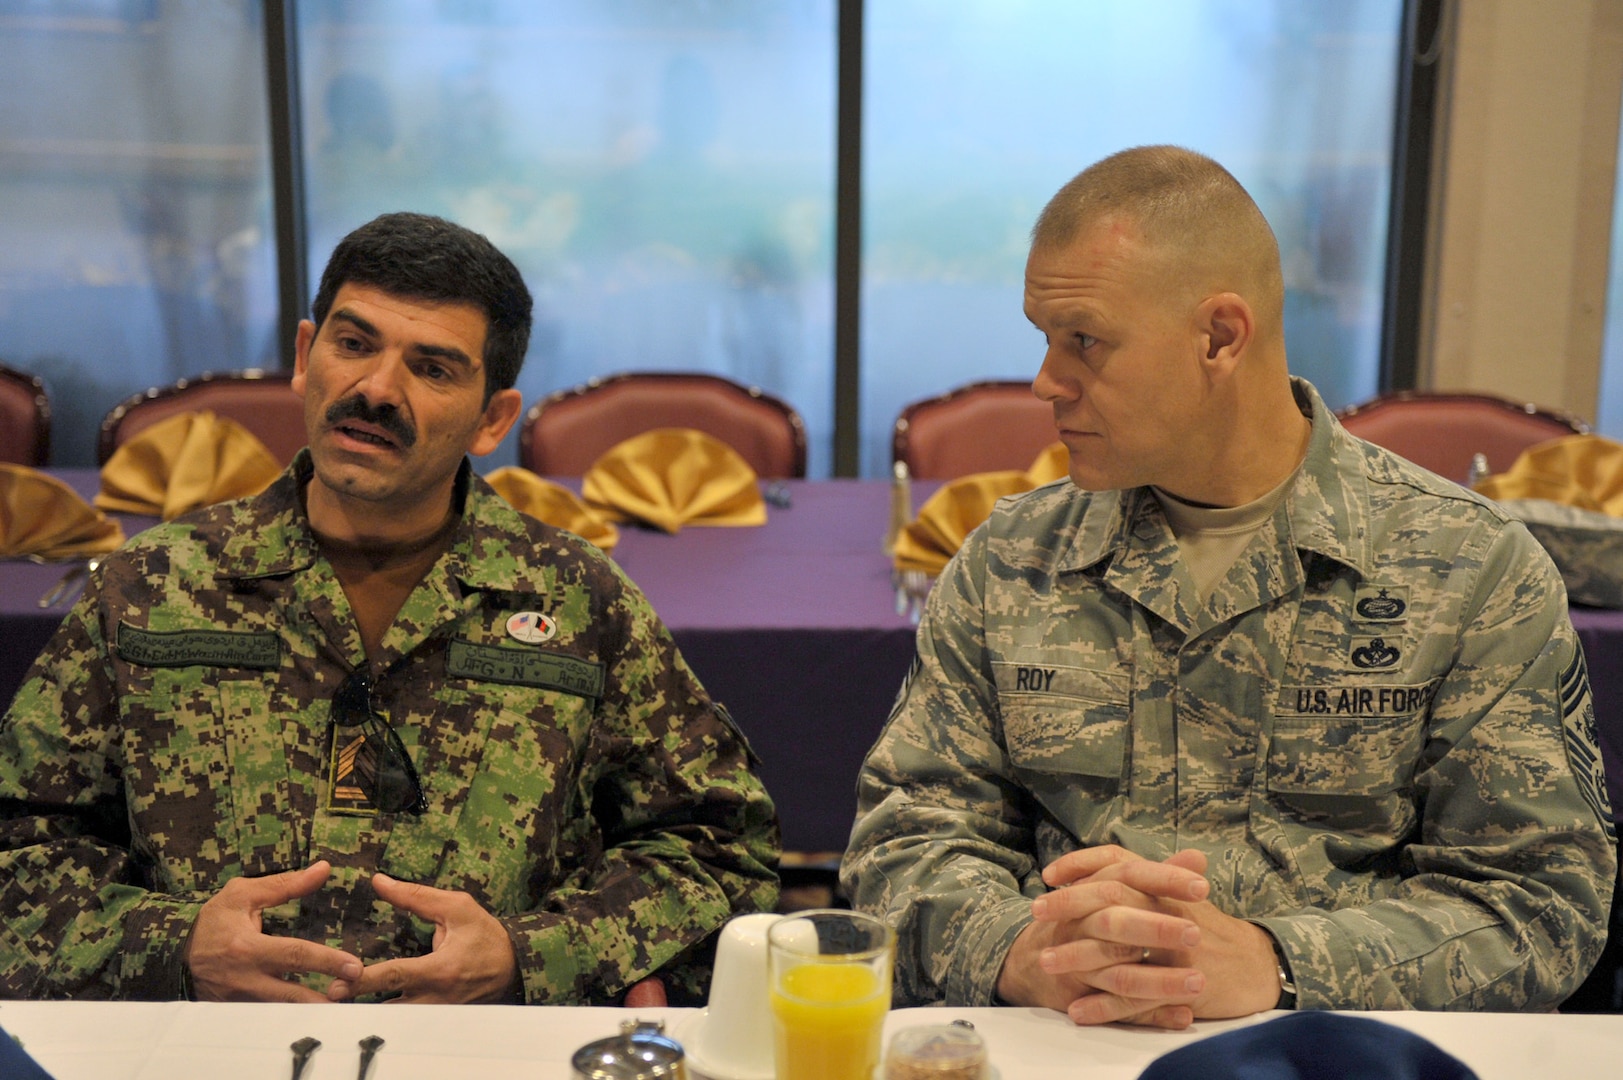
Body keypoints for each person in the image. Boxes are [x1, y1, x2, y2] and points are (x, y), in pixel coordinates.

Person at [841, 146, 1616, 1028]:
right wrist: (1022, 949)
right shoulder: (1013, 562)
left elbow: (1540, 906)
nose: (1044, 383)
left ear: (1218, 337)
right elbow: (898, 852)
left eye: (1084, 341)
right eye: (1045, 339)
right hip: (1067, 1045)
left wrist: (1277, 964)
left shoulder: (1469, 570)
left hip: (1339, 1054)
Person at [0, 211, 779, 1003]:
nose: (375, 390)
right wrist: (175, 946)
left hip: (482, 1057)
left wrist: (533, 958)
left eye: (433, 369)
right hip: (207, 1050)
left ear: (492, 419)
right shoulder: (153, 586)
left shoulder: (575, 601)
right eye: (354, 344)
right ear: (306, 358)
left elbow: (719, 847)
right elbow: (18, 842)